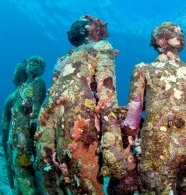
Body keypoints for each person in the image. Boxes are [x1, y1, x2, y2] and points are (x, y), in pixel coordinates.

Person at [121, 22, 186, 194]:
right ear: (159, 39)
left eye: (182, 31)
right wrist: (127, 147)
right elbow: (134, 112)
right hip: (157, 144)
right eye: (174, 31)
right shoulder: (144, 69)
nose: (181, 33)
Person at [34, 15, 123, 194]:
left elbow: (54, 92)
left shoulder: (62, 60)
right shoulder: (102, 47)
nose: (101, 24)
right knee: (84, 181)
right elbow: (107, 93)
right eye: (95, 22)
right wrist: (113, 143)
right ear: (89, 30)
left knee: (55, 178)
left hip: (49, 117)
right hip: (78, 114)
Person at [8, 56, 46, 194]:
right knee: (19, 168)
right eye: (31, 62)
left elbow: (36, 113)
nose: (32, 65)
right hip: (18, 136)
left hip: (25, 137)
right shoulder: (22, 88)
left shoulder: (38, 83)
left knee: (23, 170)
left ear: (41, 69)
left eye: (37, 63)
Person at [1, 59, 28, 189]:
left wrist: (6, 147)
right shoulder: (29, 91)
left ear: (18, 75)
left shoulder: (12, 97)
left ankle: (14, 188)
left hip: (18, 141)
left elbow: (5, 127)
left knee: (20, 174)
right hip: (28, 140)